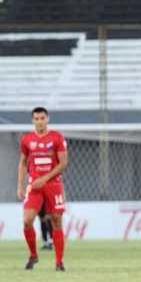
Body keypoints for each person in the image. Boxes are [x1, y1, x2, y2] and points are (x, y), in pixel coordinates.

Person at [17, 107, 68, 271]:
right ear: (32, 120)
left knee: (56, 220)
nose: (39, 121)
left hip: (53, 184)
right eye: (36, 118)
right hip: (34, 185)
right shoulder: (27, 139)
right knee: (27, 220)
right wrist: (20, 185)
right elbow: (23, 162)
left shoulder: (57, 137)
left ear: (48, 119)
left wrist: (45, 178)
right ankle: (33, 255)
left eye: (42, 118)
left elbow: (63, 163)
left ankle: (59, 263)